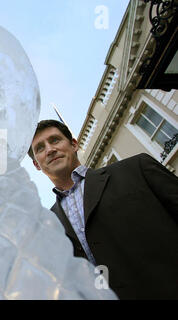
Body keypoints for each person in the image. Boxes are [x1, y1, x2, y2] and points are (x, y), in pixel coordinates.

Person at [28, 119, 178, 299]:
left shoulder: (136, 169)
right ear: (37, 164)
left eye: (55, 140)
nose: (50, 150)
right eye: (40, 148)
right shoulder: (46, 225)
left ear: (74, 144)